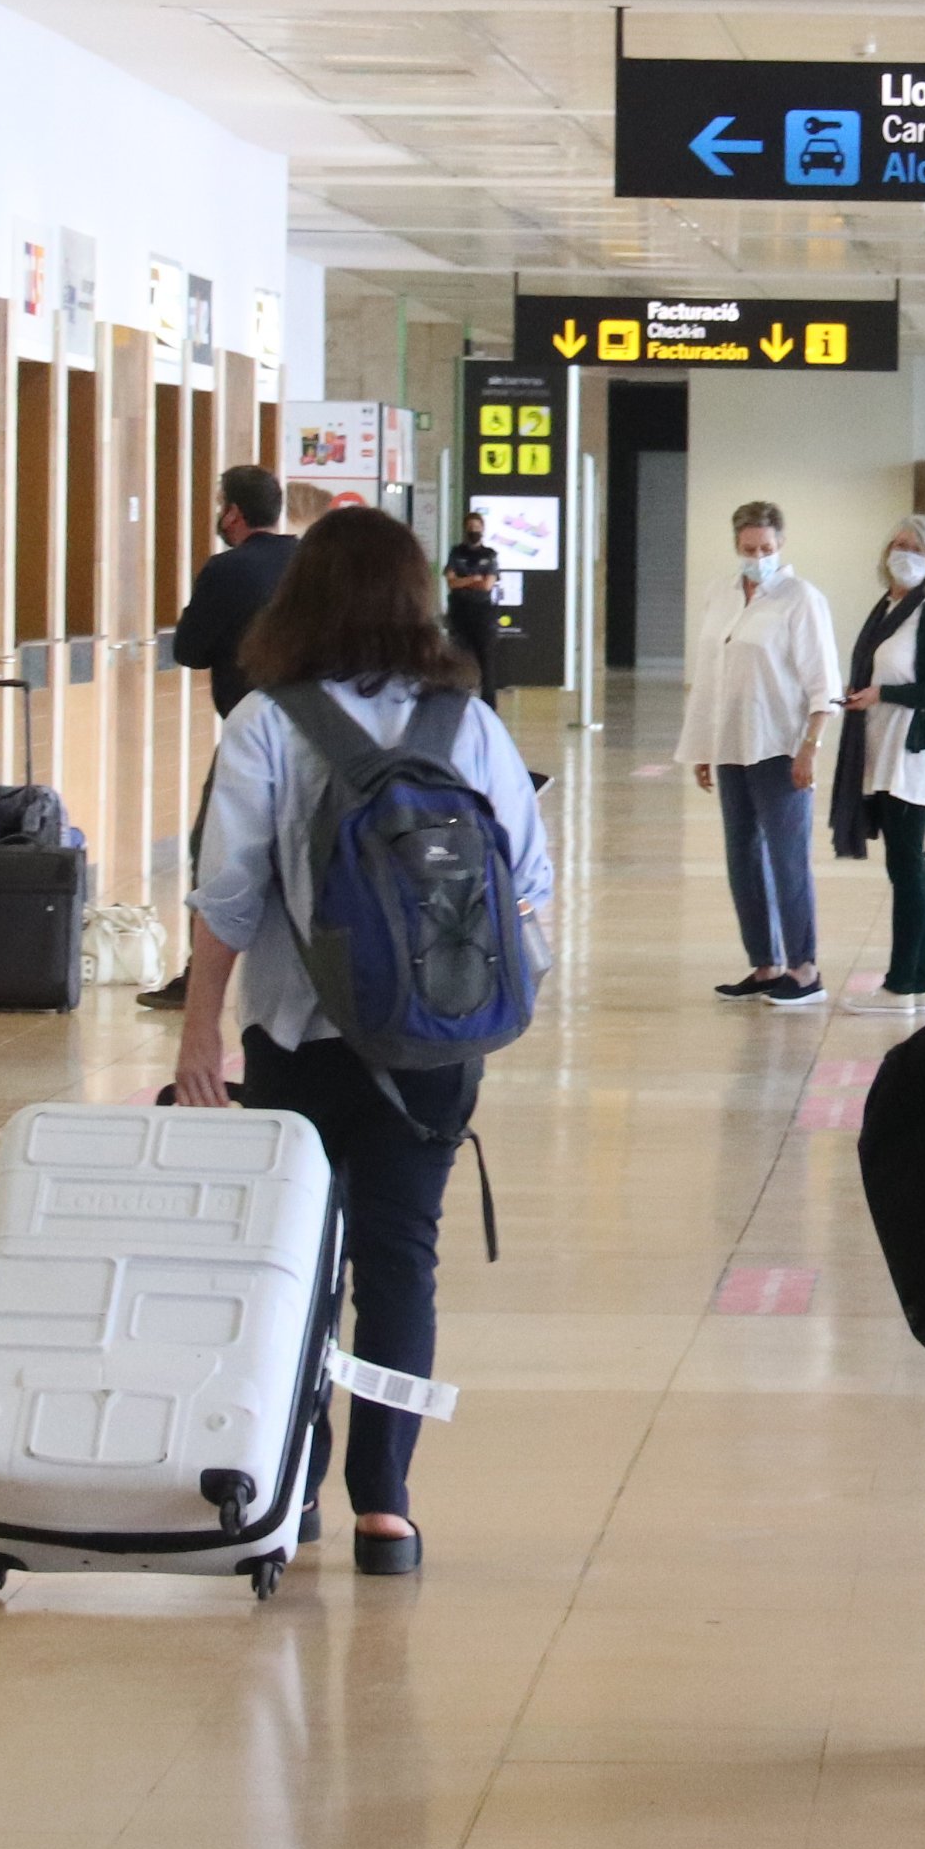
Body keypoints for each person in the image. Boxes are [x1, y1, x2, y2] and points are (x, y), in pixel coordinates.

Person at [167, 507, 551, 1576]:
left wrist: (202, 1032)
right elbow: (529, 882)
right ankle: (387, 1502)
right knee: (401, 1262)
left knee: (298, 1265)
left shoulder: (264, 724)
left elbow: (227, 898)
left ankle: (294, 1487)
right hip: (433, 1049)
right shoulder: (466, 723)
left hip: (300, 1040)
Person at [141, 465, 296, 1011]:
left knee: (213, 849)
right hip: (318, 734)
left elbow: (188, 649)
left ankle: (198, 978)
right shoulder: (309, 562)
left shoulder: (227, 570)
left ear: (232, 512)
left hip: (249, 732)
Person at [674, 499, 838, 1006]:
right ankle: (764, 965)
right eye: (749, 549)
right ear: (736, 546)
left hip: (779, 747)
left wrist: (809, 748)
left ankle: (804, 968)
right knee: (741, 858)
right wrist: (702, 744)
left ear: (781, 544)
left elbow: (823, 684)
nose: (758, 556)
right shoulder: (719, 594)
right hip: (730, 745)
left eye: (766, 548)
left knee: (788, 860)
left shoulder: (800, 598)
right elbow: (709, 674)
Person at [831, 512, 925, 1007]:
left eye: (917, 548)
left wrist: (883, 693)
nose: (904, 554)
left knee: (908, 868)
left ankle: (906, 983)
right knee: (901, 868)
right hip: (880, 751)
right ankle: (912, 977)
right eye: (899, 544)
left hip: (912, 757)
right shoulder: (886, 610)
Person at [442, 513, 503, 696]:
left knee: (486, 662)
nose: (473, 531)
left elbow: (486, 585)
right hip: (460, 613)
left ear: (482, 529)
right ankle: (459, 700)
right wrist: (473, 578)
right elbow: (451, 582)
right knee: (459, 659)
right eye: (470, 527)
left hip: (482, 615)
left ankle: (489, 706)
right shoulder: (456, 553)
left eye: (477, 527)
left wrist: (464, 580)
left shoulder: (489, 555)